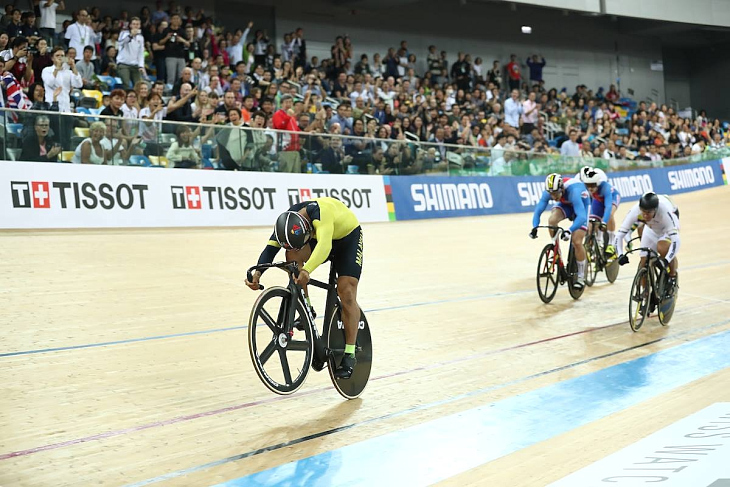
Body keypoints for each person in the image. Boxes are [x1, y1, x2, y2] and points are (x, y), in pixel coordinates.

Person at [246, 198, 364, 379]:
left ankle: (350, 355)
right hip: (318, 237)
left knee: (346, 291)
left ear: (308, 228)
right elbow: (271, 248)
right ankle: (306, 306)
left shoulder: (321, 214)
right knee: (291, 253)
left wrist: (307, 270)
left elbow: (325, 245)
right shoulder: (288, 222)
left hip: (347, 239)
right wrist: (258, 273)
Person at [614, 192, 680, 303]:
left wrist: (666, 260)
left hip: (666, 229)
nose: (645, 215)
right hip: (651, 229)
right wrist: (620, 255)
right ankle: (646, 291)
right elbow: (619, 235)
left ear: (655, 209)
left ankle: (672, 276)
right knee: (644, 260)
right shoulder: (635, 211)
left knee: (662, 248)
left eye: (648, 212)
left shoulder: (665, 212)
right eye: (643, 212)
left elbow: (676, 241)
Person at [529, 173, 590, 289]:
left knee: (577, 242)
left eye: (556, 193)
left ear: (562, 188)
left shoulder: (574, 191)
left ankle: (581, 276)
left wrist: (569, 230)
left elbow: (581, 216)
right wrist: (534, 227)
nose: (553, 197)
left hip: (582, 205)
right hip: (566, 204)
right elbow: (537, 212)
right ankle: (556, 250)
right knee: (552, 220)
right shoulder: (549, 192)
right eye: (551, 194)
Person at [577, 166, 621, 254]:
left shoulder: (605, 187)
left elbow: (608, 207)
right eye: (588, 186)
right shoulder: (584, 185)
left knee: (609, 215)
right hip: (598, 200)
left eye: (592, 185)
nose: (590, 188)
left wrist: (604, 222)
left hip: (612, 197)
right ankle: (598, 240)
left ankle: (611, 243)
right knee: (593, 221)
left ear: (597, 183)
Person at [41, 45, 82, 113]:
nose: (60, 57)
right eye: (57, 55)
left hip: (66, 107)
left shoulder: (68, 72)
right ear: (52, 58)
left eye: (62, 56)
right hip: (52, 106)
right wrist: (57, 68)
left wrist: (73, 67)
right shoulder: (47, 70)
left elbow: (79, 84)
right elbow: (50, 83)